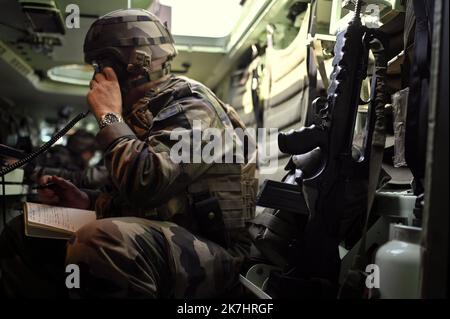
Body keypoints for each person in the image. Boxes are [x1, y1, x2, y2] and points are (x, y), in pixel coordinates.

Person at [0, 9, 257, 298]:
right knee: (22, 231)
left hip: (217, 253)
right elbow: (134, 199)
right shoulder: (142, 113)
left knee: (101, 240)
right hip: (170, 238)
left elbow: (147, 184)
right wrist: (88, 201)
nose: (96, 76)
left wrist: (109, 116)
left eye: (100, 64)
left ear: (130, 65)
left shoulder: (192, 104)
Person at [30, 129, 109, 189]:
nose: (92, 156)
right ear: (86, 152)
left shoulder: (59, 152)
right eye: (92, 153)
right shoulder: (71, 165)